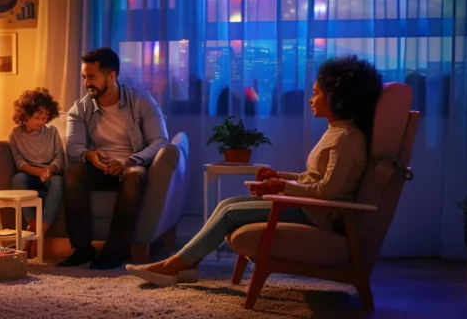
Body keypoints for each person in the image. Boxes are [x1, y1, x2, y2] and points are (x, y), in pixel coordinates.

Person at [126, 55, 384, 286]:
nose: (310, 98)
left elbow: (326, 192)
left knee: (230, 215)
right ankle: (186, 263)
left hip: (316, 214)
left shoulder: (347, 138)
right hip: (308, 205)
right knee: (227, 204)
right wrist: (279, 176)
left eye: (316, 93)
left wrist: (281, 187)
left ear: (335, 97)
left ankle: (175, 265)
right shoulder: (337, 131)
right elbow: (315, 178)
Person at [60, 47, 170, 270]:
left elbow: (160, 141)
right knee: (73, 173)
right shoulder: (80, 109)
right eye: (84, 76)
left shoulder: (141, 101)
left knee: (133, 178)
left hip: (131, 165)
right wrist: (89, 155)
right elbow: (74, 147)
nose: (86, 83)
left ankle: (114, 252)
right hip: (99, 167)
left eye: (91, 77)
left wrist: (129, 161)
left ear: (111, 76)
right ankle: (82, 250)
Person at [6, 87, 66, 256]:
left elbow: (59, 160)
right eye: (37, 118)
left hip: (50, 174)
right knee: (18, 179)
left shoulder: (52, 132)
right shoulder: (16, 134)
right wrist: (37, 172)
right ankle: (32, 224)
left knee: (58, 182)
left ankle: (41, 231)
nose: (41, 122)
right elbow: (19, 162)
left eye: (45, 118)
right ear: (25, 116)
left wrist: (49, 170)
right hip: (30, 174)